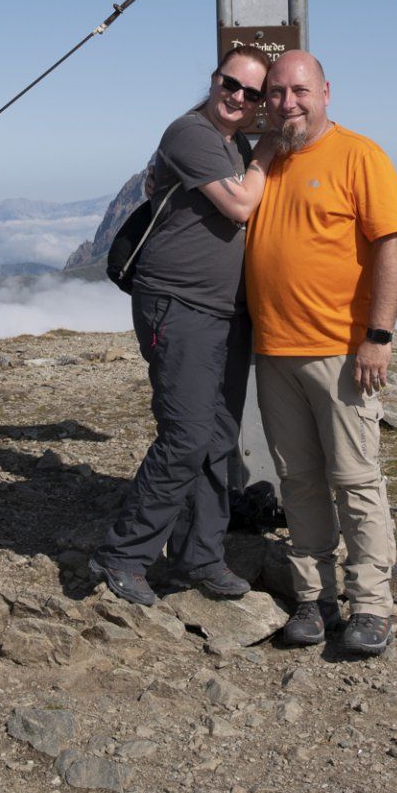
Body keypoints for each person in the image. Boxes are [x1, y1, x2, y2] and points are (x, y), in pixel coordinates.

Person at [90, 45, 279, 606]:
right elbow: (240, 206)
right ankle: (124, 555)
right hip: (178, 305)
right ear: (214, 79)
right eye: (231, 83)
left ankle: (201, 556)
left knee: (218, 438)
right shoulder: (190, 132)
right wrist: (269, 148)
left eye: (251, 93)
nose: (237, 98)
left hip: (224, 312)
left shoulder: (233, 143)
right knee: (186, 436)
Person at [244, 49, 397, 656]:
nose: (287, 102)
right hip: (274, 351)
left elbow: (392, 245)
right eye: (276, 93)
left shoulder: (360, 155)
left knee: (356, 481)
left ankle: (371, 605)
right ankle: (314, 599)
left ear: (325, 92)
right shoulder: (267, 161)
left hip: (341, 352)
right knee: (299, 482)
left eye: (299, 91)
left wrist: (378, 337)